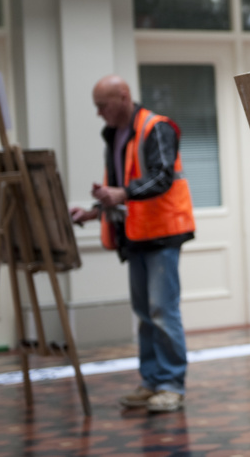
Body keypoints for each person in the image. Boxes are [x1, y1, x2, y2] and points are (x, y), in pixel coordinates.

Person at [70, 75, 195, 413]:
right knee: (145, 313)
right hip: (136, 235)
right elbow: (119, 189)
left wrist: (121, 194)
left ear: (123, 97)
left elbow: (162, 176)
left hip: (163, 233)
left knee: (162, 311)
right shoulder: (114, 135)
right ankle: (152, 381)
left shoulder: (157, 128)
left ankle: (171, 384)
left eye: (102, 105)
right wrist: (94, 211)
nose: (99, 114)